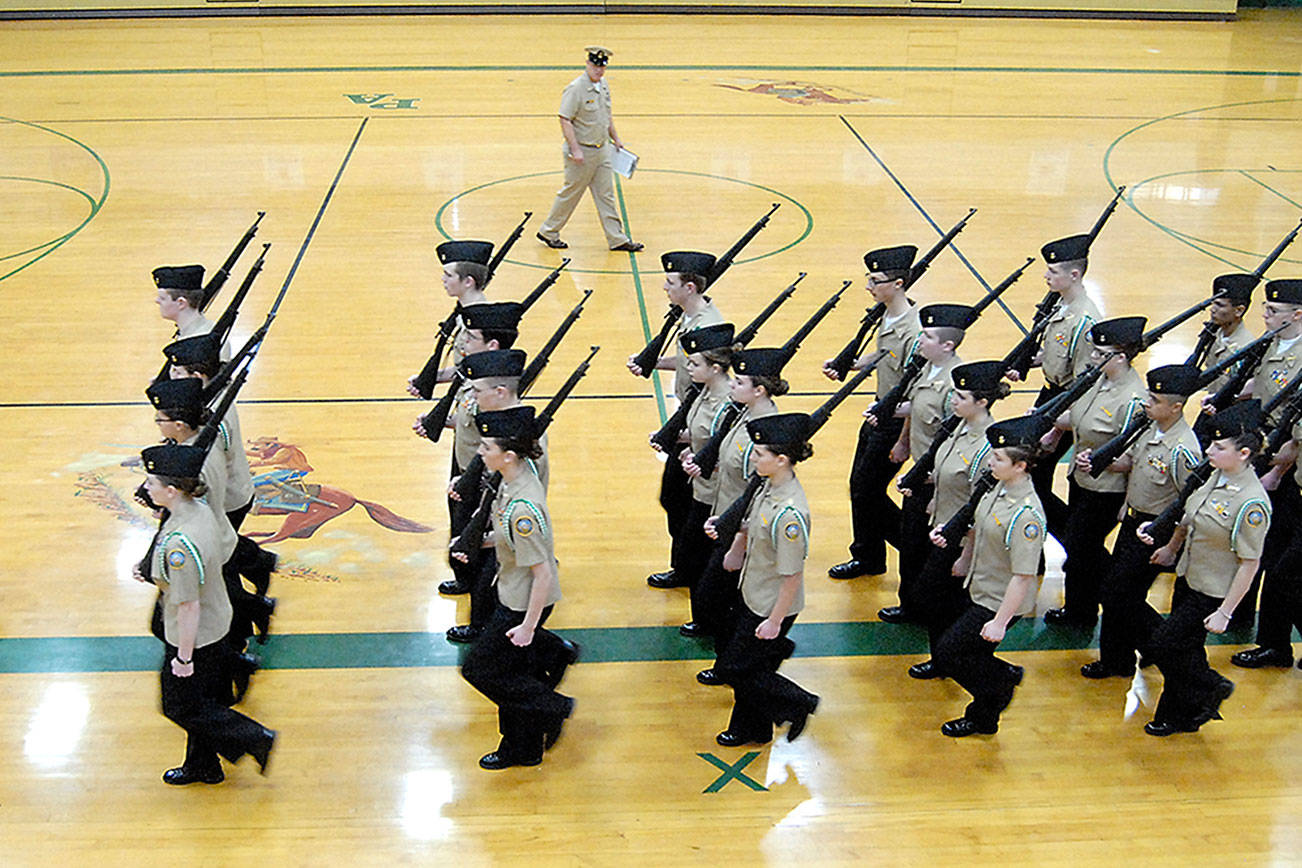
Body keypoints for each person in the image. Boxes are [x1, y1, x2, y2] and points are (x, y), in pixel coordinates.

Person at [133, 443, 275, 784]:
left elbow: (187, 604)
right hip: (218, 616)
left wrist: (183, 657)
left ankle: (254, 738)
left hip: (196, 635)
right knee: (203, 700)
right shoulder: (196, 510)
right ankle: (203, 764)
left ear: (171, 490)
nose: (146, 488)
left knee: (181, 706)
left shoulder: (181, 543)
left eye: (151, 483)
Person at [1138, 401, 1270, 735]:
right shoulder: (1216, 475)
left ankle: (1210, 685)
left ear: (1243, 454)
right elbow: (1189, 516)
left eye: (1219, 447)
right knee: (1186, 649)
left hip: (1214, 590)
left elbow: (1250, 563)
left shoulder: (1251, 503)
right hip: (1189, 576)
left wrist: (1226, 611)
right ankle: (1182, 715)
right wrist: (1170, 548)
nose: (1209, 450)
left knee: (1165, 645)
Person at [460, 407, 576, 770]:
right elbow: (510, 539)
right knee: (514, 674)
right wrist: (483, 542)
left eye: (487, 447)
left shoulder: (524, 508)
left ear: (508, 455)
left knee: (481, 670)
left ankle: (553, 707)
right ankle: (522, 747)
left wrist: (528, 627)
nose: (480, 452)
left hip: (523, 602)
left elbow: (543, 574)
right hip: (511, 590)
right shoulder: (512, 482)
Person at [1081, 364, 1201, 679]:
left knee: (1118, 594)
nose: (1148, 403)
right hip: (1134, 520)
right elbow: (1132, 463)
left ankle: (1164, 646)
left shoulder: (1183, 450)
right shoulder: (1149, 427)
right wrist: (1100, 463)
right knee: (1117, 593)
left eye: (1156, 399)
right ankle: (1116, 660)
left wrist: (1173, 546)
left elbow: (1188, 503)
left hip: (1157, 529)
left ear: (1176, 407)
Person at [932, 416, 1046, 737]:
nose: (990, 461)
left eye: (998, 458)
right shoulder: (997, 488)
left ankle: (997, 691)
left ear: (1020, 466)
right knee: (972, 655)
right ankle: (991, 701)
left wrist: (999, 622)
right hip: (979, 587)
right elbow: (978, 527)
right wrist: (964, 560)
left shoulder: (1026, 516)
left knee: (950, 652)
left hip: (999, 600)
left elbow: (1024, 576)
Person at [712, 413, 819, 746]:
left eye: (760, 454)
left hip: (771, 604)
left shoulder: (790, 514)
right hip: (753, 590)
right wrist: (736, 542)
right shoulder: (767, 485)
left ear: (781, 460)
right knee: (748, 668)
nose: (753, 457)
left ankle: (799, 702)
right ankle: (752, 729)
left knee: (734, 668)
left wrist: (774, 622)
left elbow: (792, 575)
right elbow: (753, 521)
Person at [900, 360, 1006, 679]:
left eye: (961, 396)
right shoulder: (958, 425)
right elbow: (948, 473)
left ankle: (960, 661)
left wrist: (965, 554)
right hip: (942, 526)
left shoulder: (987, 445)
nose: (954, 400)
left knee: (938, 599)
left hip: (961, 538)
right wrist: (931, 496)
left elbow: (979, 501)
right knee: (935, 599)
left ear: (982, 402)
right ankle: (944, 658)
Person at [1040, 316, 1147, 628]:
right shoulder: (1097, 381)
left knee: (1082, 549)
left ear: (1121, 357)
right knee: (1079, 552)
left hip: (1107, 490)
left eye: (1102, 354)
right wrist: (1050, 426)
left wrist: (1125, 497)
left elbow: (1136, 456)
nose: (1094, 358)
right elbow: (1079, 416)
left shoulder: (1132, 398)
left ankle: (1128, 611)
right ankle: (1079, 610)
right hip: (1081, 478)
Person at [630, 251, 725, 589]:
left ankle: (692, 568)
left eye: (670, 282)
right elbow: (688, 364)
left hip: (699, 418)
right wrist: (652, 361)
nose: (664, 287)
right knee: (676, 498)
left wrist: (685, 435)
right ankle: (686, 566)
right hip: (688, 413)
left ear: (688, 286)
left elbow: (709, 381)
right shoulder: (689, 317)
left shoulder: (708, 326)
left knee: (682, 498)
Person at [826, 244, 922, 581]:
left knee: (867, 491)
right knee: (859, 487)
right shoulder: (887, 313)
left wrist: (905, 440)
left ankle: (915, 550)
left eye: (875, 280)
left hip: (894, 421)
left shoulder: (915, 331)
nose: (869, 286)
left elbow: (919, 391)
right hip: (879, 412)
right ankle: (868, 555)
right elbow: (884, 353)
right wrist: (852, 363)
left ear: (898, 284)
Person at [445, 348, 550, 644]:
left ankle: (490, 630)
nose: (474, 396)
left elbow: (520, 480)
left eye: (478, 390)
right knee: (481, 575)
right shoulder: (500, 423)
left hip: (507, 515)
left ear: (501, 392)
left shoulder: (519, 432)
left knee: (488, 584)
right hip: (494, 508)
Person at [690, 345, 785, 647]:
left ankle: (730, 656)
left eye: (739, 382)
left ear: (759, 390)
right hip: (723, 516)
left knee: (717, 594)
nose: (731, 383)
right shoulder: (742, 414)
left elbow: (758, 490)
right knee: (711, 590)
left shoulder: (767, 434)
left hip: (740, 528)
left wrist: (738, 540)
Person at [879, 303, 967, 621]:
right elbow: (916, 410)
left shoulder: (956, 386)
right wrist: (903, 442)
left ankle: (929, 608)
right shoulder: (925, 368)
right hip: (920, 472)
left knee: (931, 548)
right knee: (912, 542)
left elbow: (955, 438)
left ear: (948, 345)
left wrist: (931, 475)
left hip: (938, 481)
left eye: (927, 337)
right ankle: (912, 605)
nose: (920, 341)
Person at [1232, 278, 1302, 668]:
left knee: (1283, 568)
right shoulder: (1275, 344)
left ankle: (1276, 642)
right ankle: (1274, 643)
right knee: (1272, 557)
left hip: (1286, 467)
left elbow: (1298, 432)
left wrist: (1278, 472)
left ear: (1298, 314)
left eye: (1273, 311)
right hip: (1269, 452)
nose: (1265, 316)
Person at [1015, 234, 1102, 540]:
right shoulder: (1061, 306)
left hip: (1066, 403)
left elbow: (1084, 385)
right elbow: (1057, 354)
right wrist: (1025, 362)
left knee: (1035, 476)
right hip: (1050, 393)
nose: (1046, 276)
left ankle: (1076, 543)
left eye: (1053, 272)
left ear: (1074, 275)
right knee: (1031, 473)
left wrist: (1056, 429)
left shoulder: (1085, 320)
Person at [535, 46, 643, 252]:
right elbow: (565, 119)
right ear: (587, 64)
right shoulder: (576, 88)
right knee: (571, 192)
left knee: (606, 195)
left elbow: (606, 115)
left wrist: (616, 138)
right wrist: (575, 149)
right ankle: (549, 230)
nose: (599, 71)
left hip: (602, 149)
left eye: (602, 68)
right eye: (595, 66)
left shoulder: (603, 85)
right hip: (582, 152)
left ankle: (617, 238)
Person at [674, 325, 737, 633]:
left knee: (702, 557)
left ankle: (710, 619)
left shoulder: (727, 403)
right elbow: (703, 440)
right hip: (700, 487)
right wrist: (687, 449)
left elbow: (727, 452)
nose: (688, 368)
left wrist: (703, 463)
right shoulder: (703, 392)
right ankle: (704, 616)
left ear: (715, 368)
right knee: (693, 554)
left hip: (715, 495)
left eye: (694, 364)